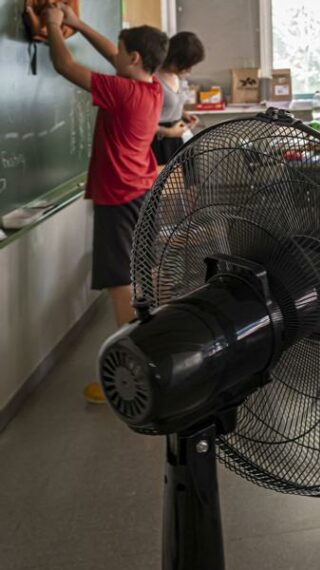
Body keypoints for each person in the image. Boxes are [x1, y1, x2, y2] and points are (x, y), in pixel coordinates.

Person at [35, 3, 168, 404]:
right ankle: (150, 362)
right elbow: (114, 52)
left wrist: (57, 27)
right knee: (138, 278)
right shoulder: (151, 87)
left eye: (122, 51)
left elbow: (64, 66)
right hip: (141, 192)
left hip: (120, 197)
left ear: (135, 58)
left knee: (119, 285)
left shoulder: (121, 91)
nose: (115, 56)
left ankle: (132, 378)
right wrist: (80, 23)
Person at [152, 31, 204, 165]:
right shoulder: (152, 78)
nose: (189, 70)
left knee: (187, 183)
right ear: (175, 58)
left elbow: (167, 106)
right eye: (187, 64)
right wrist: (168, 132)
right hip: (159, 142)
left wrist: (183, 115)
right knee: (164, 184)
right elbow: (140, 121)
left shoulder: (177, 76)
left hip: (179, 139)